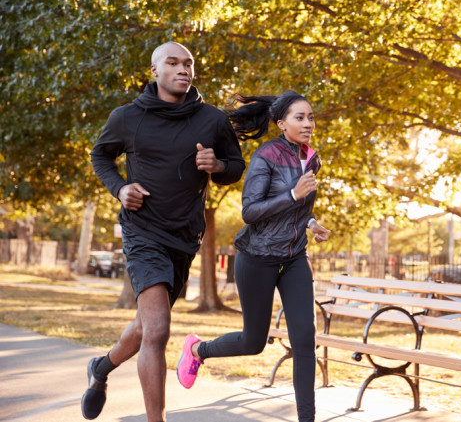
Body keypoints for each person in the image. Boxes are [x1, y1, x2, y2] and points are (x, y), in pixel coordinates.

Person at [82, 41, 245, 422]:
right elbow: (100, 155)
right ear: (155, 71)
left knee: (143, 329)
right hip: (142, 233)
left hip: (185, 238)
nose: (183, 69)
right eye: (172, 63)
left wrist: (217, 164)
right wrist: (120, 188)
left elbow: (236, 166)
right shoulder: (127, 117)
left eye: (188, 63)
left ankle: (101, 368)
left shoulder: (212, 119)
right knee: (158, 330)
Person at [176, 91, 330, 422]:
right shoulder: (266, 156)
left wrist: (312, 223)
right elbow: (250, 212)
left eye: (311, 117)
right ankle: (197, 349)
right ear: (281, 124)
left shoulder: (312, 158)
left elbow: (299, 209)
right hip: (257, 257)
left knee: (305, 339)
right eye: (299, 117)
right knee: (253, 342)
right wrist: (292, 193)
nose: (307, 123)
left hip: (293, 259)